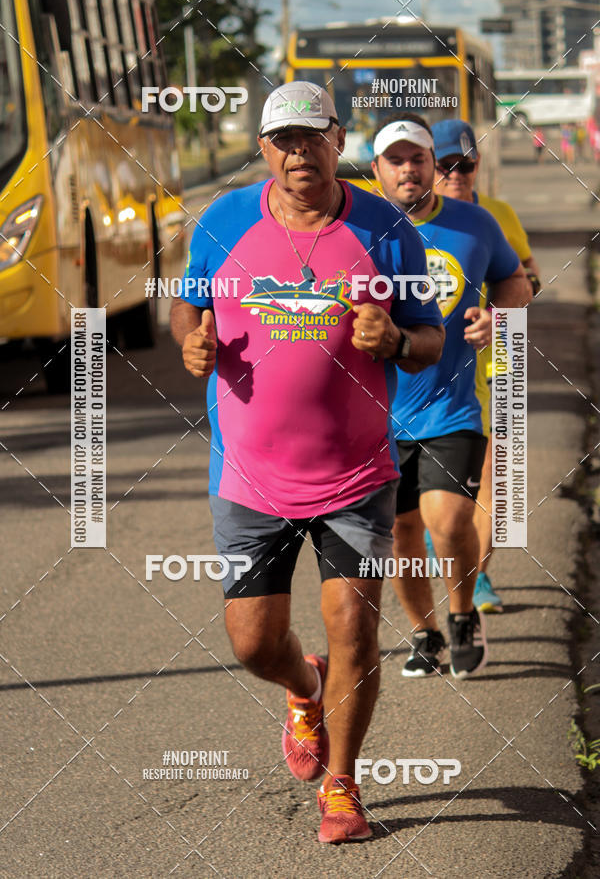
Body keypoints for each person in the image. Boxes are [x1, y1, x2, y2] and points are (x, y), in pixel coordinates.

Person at [170, 83, 444, 842]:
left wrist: (393, 342)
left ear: (338, 138)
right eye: (283, 140)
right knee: (255, 644)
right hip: (249, 476)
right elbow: (188, 302)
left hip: (356, 473)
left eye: (312, 137)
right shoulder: (224, 221)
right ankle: (303, 686)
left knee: (354, 624)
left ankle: (344, 784)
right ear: (264, 148)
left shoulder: (387, 230)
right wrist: (190, 338)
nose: (299, 153)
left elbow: (430, 339)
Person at [371, 114, 532, 680]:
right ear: (378, 171)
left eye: (421, 159)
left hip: (451, 405)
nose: (411, 170)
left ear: (432, 167)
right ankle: (425, 631)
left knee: (449, 520)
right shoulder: (358, 228)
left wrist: (498, 317)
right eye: (397, 160)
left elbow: (515, 279)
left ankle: (462, 613)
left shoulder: (476, 224)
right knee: (399, 532)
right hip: (377, 415)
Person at [431, 118, 540, 613]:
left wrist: (496, 317)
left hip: (500, 366)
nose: (456, 174)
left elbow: (527, 278)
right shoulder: (403, 223)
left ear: (477, 167)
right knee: (436, 491)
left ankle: (475, 582)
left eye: (466, 165)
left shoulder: (496, 215)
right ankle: (453, 552)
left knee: (498, 482)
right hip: (430, 372)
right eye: (445, 165)